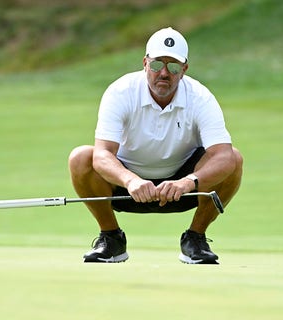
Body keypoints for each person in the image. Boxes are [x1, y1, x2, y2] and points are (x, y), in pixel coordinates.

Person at [68, 27, 243, 264]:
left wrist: (188, 182)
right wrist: (130, 180)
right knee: (81, 157)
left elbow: (223, 157)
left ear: (184, 70)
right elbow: (102, 155)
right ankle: (111, 239)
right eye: (157, 64)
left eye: (173, 67)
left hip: (184, 186)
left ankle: (195, 238)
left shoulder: (200, 97)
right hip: (126, 186)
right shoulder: (121, 92)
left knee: (234, 157)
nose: (164, 73)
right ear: (145, 63)